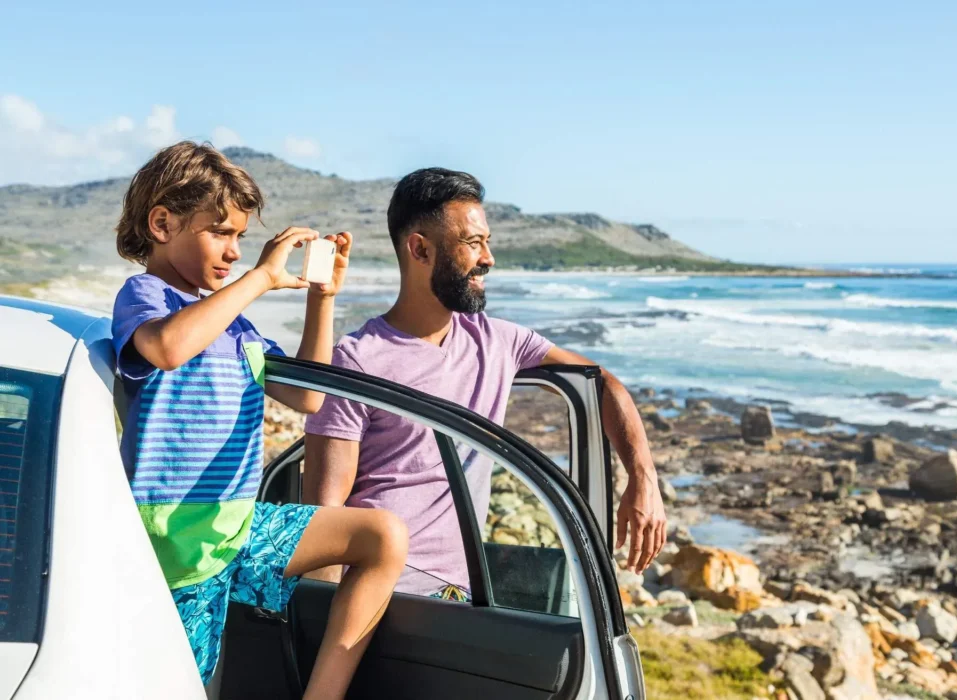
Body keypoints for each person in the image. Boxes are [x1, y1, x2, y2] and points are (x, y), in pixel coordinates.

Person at [112, 141, 407, 697]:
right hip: (176, 545)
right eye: (220, 233)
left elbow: (309, 396)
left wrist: (322, 299)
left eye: (240, 238)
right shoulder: (146, 295)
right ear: (161, 222)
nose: (232, 252)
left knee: (381, 536)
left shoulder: (237, 328)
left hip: (238, 529)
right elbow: (169, 348)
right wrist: (262, 278)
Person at [303, 167, 665, 598]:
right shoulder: (357, 359)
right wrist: (317, 630)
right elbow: (323, 516)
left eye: (486, 242)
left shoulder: (497, 341)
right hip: (380, 603)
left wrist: (642, 479)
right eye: (472, 243)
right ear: (420, 249)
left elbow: (601, 383)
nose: (488, 258)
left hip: (462, 599)